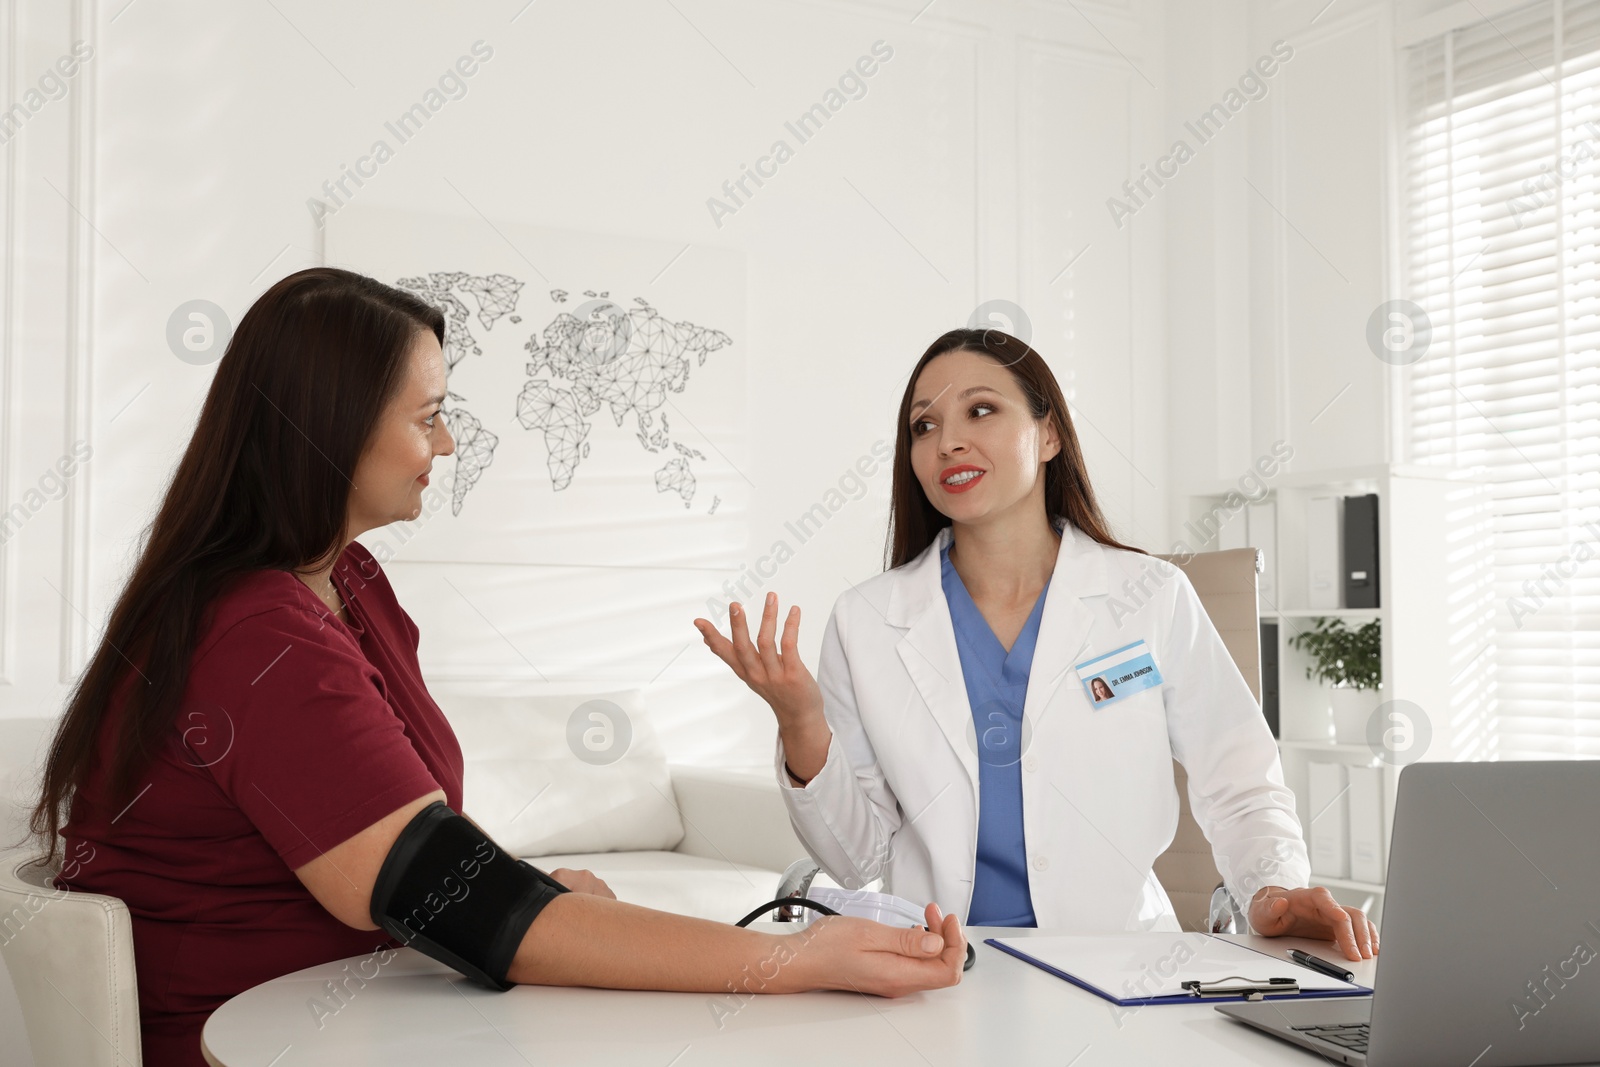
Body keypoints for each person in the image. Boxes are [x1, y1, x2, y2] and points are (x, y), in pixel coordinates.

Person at [28, 269, 964, 1067]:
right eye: (429, 417)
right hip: (264, 1037)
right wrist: (802, 960)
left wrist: (528, 888)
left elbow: (405, 848)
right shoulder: (256, 636)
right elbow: (455, 901)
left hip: (369, 1007)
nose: (445, 444)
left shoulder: (349, 584)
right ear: (329, 428)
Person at [695, 327, 1377, 960]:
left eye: (980, 410)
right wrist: (802, 723)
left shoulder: (1148, 595)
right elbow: (857, 856)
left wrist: (1272, 889)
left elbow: (1241, 779)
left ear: (1048, 434)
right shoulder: (866, 620)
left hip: (1117, 963)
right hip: (935, 969)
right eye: (924, 425)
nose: (948, 442)